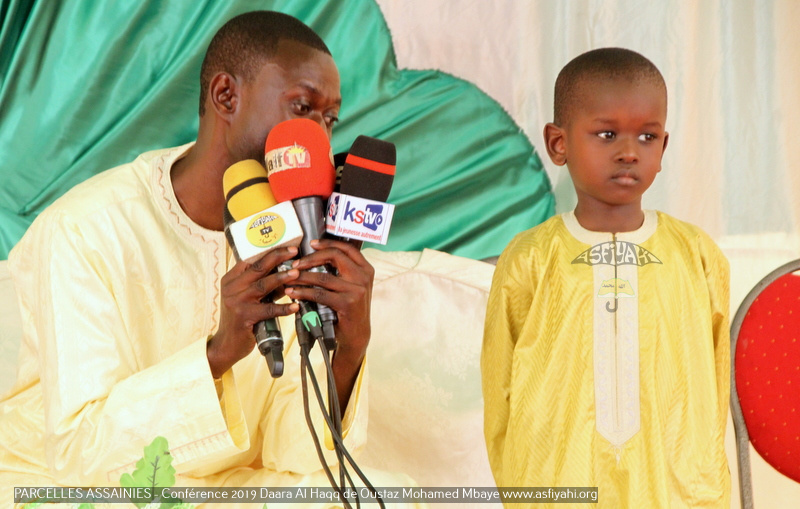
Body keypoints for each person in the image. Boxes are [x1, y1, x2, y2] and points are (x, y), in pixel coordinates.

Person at [0, 10, 415, 506]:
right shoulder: (88, 229)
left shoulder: (297, 235)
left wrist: (348, 349)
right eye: (302, 108)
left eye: (329, 121)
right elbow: (79, 453)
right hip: (67, 485)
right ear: (226, 96)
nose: (319, 142)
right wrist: (219, 352)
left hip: (216, 489)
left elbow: (297, 458)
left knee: (384, 495)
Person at [481, 48, 730, 508]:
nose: (629, 152)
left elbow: (713, 387)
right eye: (607, 133)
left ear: (663, 148)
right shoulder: (530, 258)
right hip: (554, 484)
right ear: (559, 143)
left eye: (648, 136)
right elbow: (499, 392)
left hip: (674, 487)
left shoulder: (695, 253)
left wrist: (705, 484)